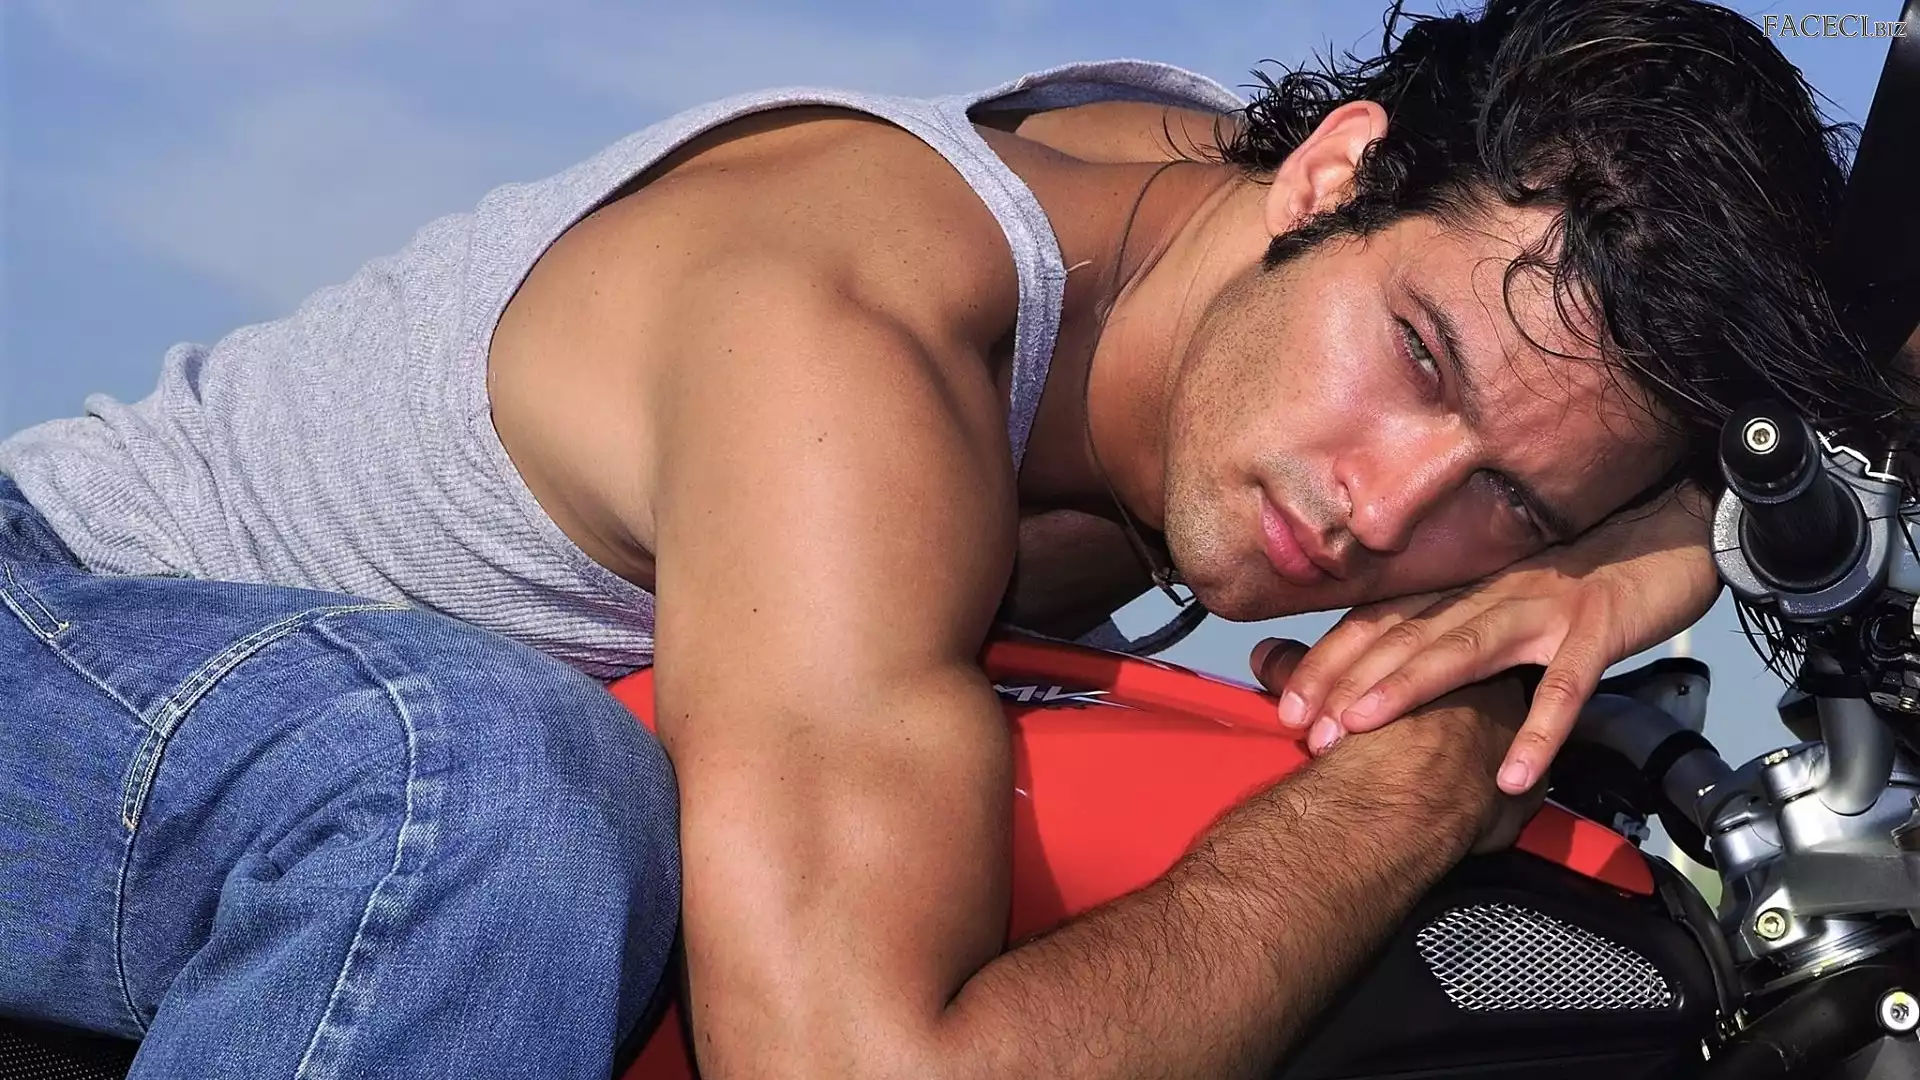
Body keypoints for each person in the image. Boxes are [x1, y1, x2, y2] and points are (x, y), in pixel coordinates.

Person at [0, 0, 1900, 1076]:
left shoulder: (1237, 246)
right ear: (1335, 171)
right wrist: (1417, 784)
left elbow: (1813, 396)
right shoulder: (855, 330)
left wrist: (1658, 549)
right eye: (1415, 360)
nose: (1385, 509)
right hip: (68, 644)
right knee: (484, 783)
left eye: (1509, 503)